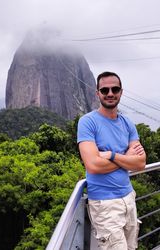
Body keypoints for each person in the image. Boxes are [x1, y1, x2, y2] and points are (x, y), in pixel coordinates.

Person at [77, 71, 146, 250]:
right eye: (105, 89)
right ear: (97, 92)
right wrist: (127, 157)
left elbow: (140, 163)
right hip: (105, 204)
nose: (110, 93)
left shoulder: (127, 123)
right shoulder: (88, 122)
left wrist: (112, 155)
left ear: (121, 92)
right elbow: (93, 165)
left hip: (129, 198)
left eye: (114, 89)